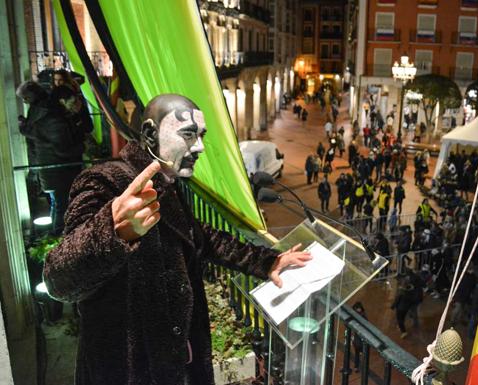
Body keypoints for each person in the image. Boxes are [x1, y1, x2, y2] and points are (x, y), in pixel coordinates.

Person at [43, 94, 312, 385]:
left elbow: (201, 238)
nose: (199, 147)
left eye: (201, 136)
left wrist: (269, 261)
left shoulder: (167, 183)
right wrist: (111, 229)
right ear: (149, 133)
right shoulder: (104, 181)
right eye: (188, 135)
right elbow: (58, 278)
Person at [16, 80, 84, 235]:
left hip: (51, 169)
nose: (75, 104)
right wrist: (81, 146)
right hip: (57, 170)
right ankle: (59, 237)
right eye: (72, 101)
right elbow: (63, 150)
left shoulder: (43, 113)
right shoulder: (53, 119)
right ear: (62, 101)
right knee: (61, 205)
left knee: (57, 204)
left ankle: (57, 236)